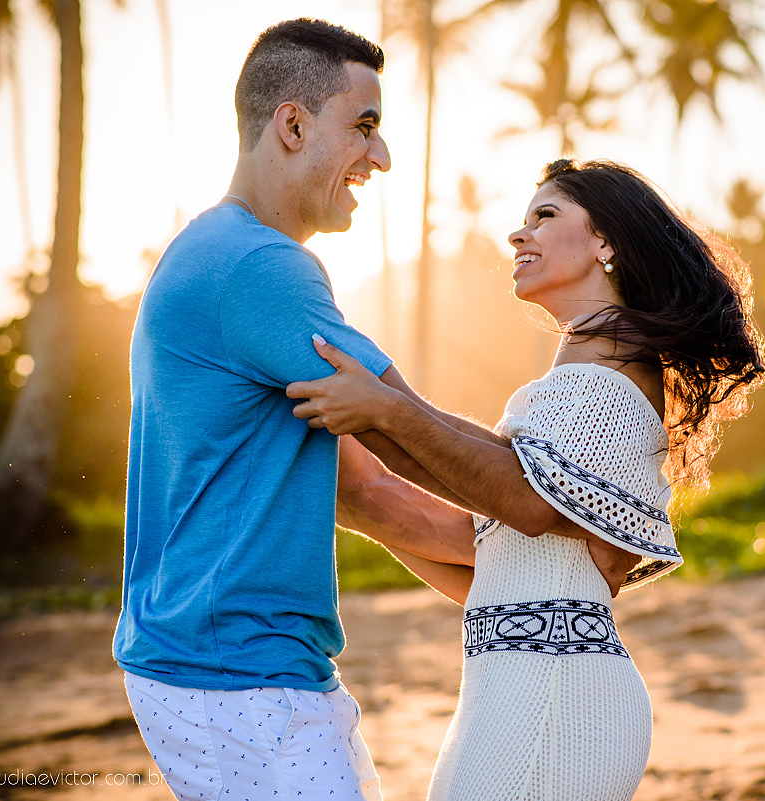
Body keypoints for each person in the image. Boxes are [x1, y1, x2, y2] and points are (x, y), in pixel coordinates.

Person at [112, 19, 639, 801]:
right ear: (292, 125)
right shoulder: (262, 267)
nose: (381, 155)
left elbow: (362, 490)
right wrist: (553, 525)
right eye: (364, 127)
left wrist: (531, 578)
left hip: (236, 665)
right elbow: (404, 423)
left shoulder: (218, 252)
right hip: (237, 675)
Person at [287, 158, 765, 800]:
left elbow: (526, 504)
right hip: (526, 685)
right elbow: (496, 563)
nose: (518, 235)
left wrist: (385, 409)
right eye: (522, 221)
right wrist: (363, 489)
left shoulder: (612, 355)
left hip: (555, 697)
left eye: (545, 216)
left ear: (607, 242)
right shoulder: (587, 362)